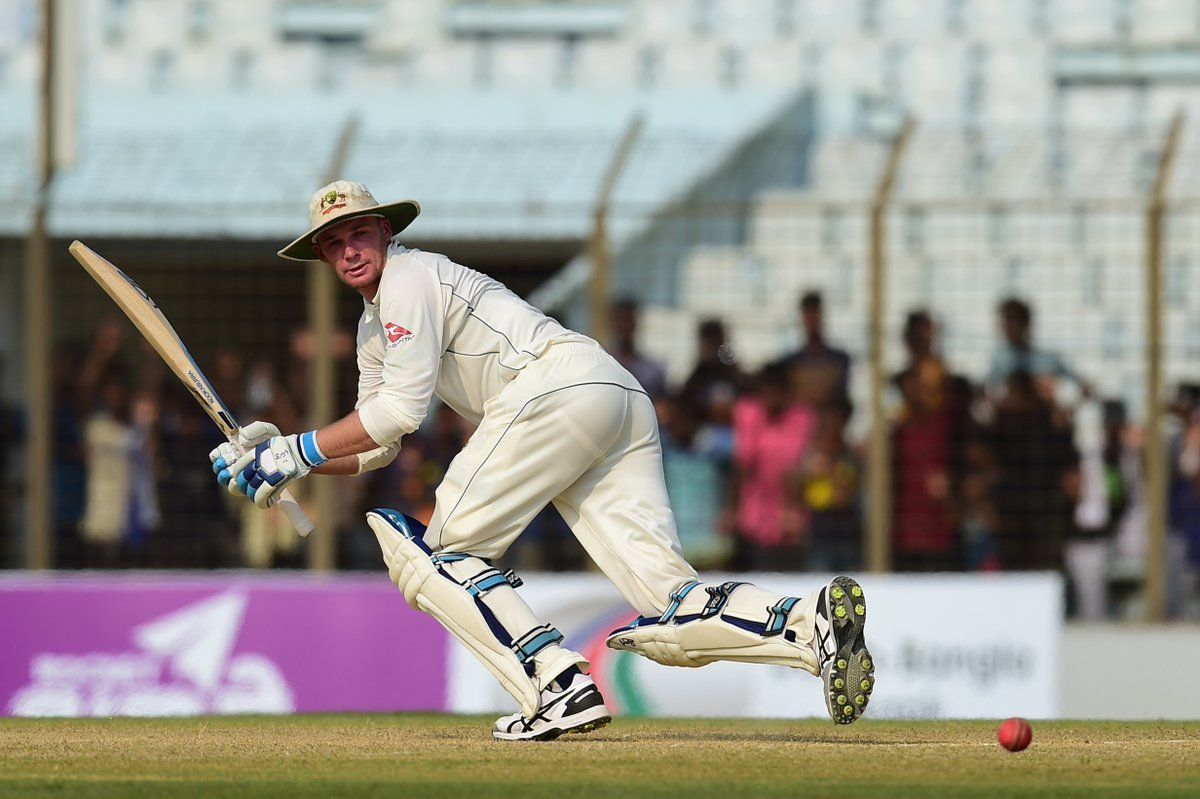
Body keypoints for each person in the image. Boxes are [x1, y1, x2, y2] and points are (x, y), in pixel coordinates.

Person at [207, 181, 875, 739]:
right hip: (610, 394)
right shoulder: (373, 326)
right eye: (332, 243)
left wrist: (294, 449)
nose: (347, 250)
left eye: (357, 234)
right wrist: (285, 461)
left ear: (385, 232)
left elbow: (401, 413)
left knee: (437, 558)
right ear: (322, 257)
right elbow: (378, 442)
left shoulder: (408, 276)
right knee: (670, 603)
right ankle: (809, 626)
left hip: (551, 390)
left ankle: (555, 684)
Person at [780, 290, 851, 412]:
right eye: (809, 315)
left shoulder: (839, 360)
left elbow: (841, 401)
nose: (812, 321)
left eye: (815, 314)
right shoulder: (789, 363)